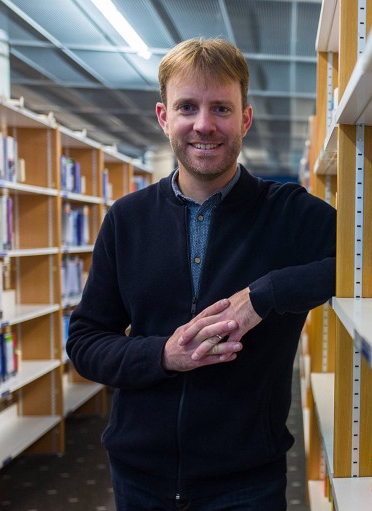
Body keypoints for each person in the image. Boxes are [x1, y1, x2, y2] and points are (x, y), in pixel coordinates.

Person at [66, 37, 336, 510]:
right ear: (164, 116)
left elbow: (370, 262)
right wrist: (164, 355)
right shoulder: (126, 219)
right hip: (139, 478)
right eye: (187, 107)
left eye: (221, 109)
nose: (204, 125)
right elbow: (86, 342)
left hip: (248, 482)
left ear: (245, 119)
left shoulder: (292, 214)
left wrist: (265, 294)